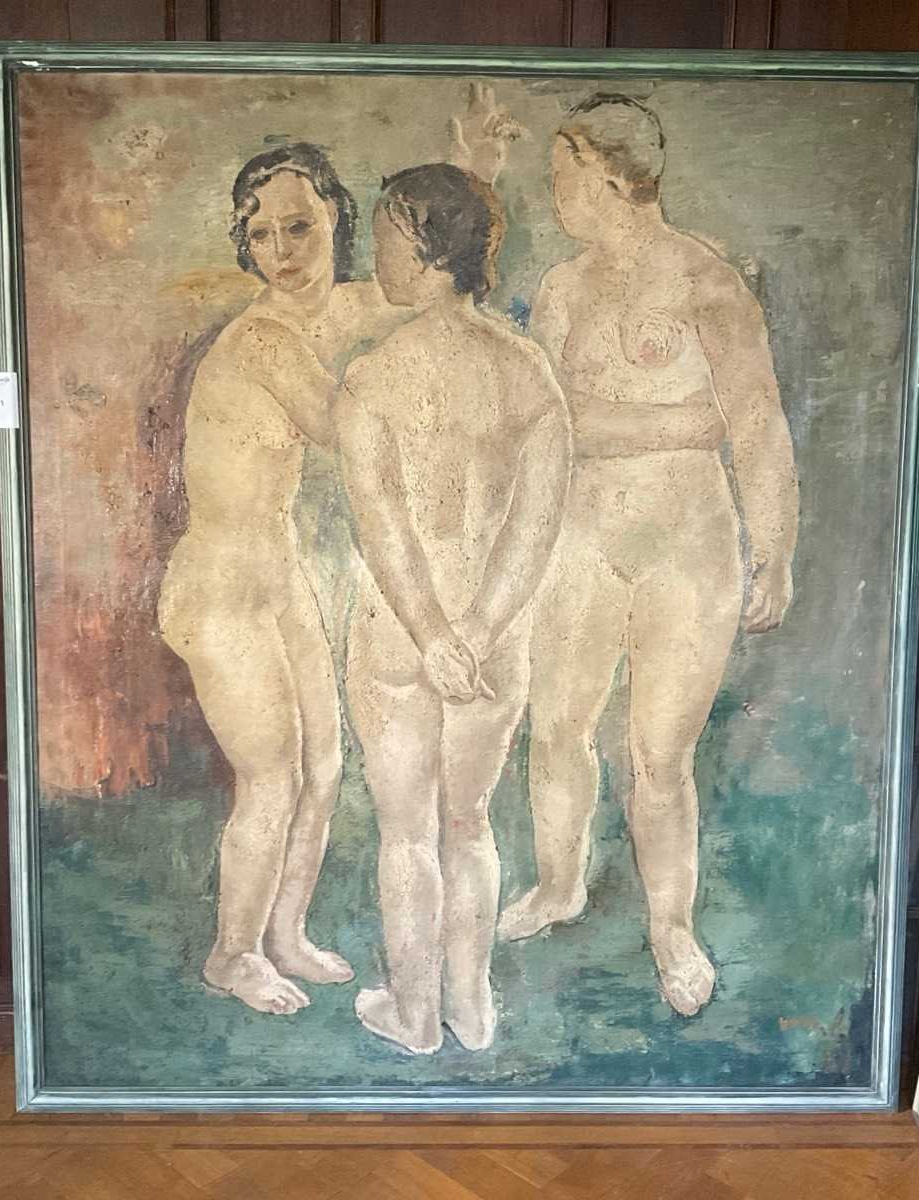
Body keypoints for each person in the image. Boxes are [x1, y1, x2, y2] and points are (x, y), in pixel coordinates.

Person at [158, 93, 520, 1018]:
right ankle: (232, 953)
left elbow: (428, 279)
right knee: (272, 776)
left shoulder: (342, 306)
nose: (282, 248)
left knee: (323, 769)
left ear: (334, 222)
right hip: (220, 584)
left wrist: (473, 170)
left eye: (300, 225)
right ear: (245, 246)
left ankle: (283, 932)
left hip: (276, 569)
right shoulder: (266, 337)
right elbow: (346, 429)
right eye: (261, 233)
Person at [497, 94, 800, 1018]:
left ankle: (672, 929)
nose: (554, 192)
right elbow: (548, 424)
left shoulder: (706, 282)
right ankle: (560, 884)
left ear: (610, 174)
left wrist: (775, 550)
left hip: (687, 544)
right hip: (581, 537)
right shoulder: (561, 288)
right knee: (558, 725)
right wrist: (682, 422)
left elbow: (756, 422)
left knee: (659, 754)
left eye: (564, 173)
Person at [337, 163, 572, 1054]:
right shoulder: (527, 373)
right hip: (495, 633)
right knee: (468, 823)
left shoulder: (374, 377)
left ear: (426, 249)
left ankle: (413, 1013)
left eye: (386, 239)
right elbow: (534, 526)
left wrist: (433, 634)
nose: (376, 258)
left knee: (408, 834)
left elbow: (382, 524)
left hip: (397, 630)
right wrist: (473, 632)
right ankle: (470, 1010)